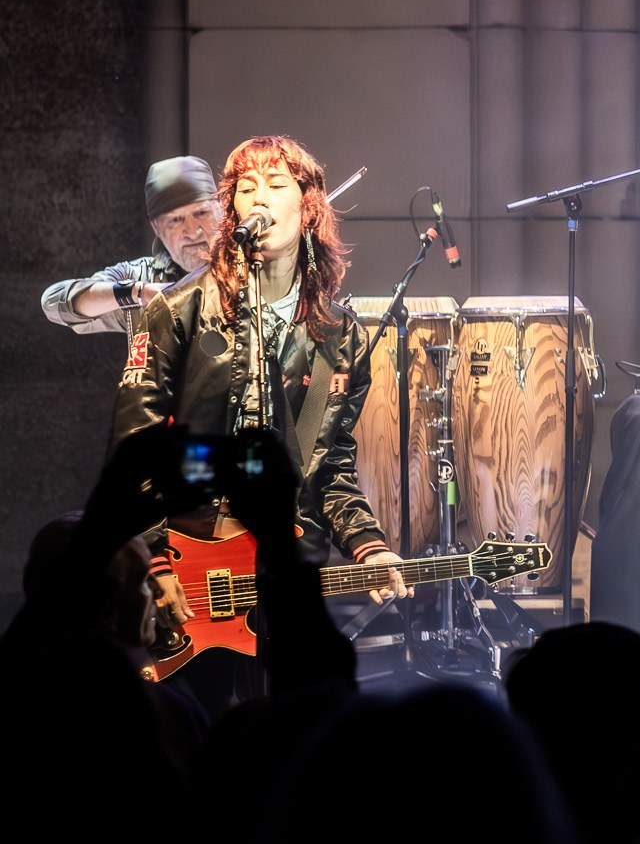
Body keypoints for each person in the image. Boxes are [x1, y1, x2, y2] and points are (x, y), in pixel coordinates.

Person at [111, 136, 407, 659]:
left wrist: (368, 544)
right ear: (232, 211)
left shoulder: (342, 339)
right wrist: (154, 560)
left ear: (308, 207)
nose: (260, 199)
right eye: (246, 188)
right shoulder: (176, 311)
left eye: (275, 184)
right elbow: (136, 443)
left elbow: (329, 466)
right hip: (189, 569)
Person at [42, 154, 221, 337]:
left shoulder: (248, 269)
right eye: (176, 219)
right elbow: (54, 303)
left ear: (221, 211)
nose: (192, 231)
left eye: (201, 213)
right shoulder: (141, 275)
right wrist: (138, 293)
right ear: (156, 228)